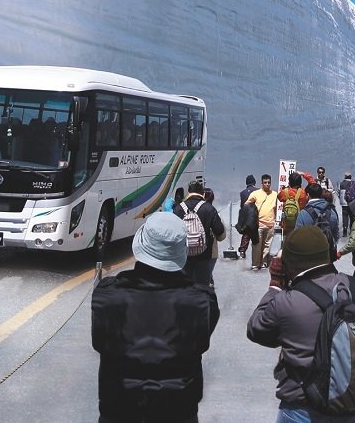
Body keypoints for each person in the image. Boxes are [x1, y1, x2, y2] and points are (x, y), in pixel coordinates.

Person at [91, 211, 221, 422]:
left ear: (140, 245)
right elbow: (200, 338)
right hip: (178, 413)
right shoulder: (203, 300)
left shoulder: (107, 294)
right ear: (181, 252)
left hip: (119, 412)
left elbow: (99, 342)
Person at [246, 225, 355, 423]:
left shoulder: (286, 302)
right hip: (351, 405)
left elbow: (257, 330)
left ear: (289, 263)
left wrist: (275, 285)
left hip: (302, 406)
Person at [176, 180, 225, 286]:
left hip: (183, 257)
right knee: (202, 287)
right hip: (203, 257)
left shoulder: (179, 209)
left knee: (185, 286)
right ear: (202, 193)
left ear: (188, 193)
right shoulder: (209, 209)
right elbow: (220, 233)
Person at [247, 174, 278, 270]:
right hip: (258, 224)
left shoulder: (274, 194)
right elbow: (246, 204)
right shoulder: (255, 194)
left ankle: (264, 262)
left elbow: (275, 208)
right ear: (261, 183)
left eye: (269, 182)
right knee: (256, 245)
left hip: (270, 224)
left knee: (267, 246)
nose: (267, 184)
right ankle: (255, 264)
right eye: (265, 182)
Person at [297, 181, 340, 246]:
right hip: (327, 253)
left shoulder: (303, 213)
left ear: (308, 195)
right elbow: (336, 235)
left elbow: (297, 237)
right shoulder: (332, 211)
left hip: (309, 252)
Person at [277, 172, 308, 236]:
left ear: (289, 182)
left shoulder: (285, 192)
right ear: (300, 182)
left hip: (286, 225)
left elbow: (279, 197)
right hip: (299, 224)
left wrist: (285, 189)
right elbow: (313, 183)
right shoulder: (303, 193)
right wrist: (304, 174)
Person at [236, 177, 259, 260]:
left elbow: (242, 206)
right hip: (256, 216)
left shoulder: (242, 193)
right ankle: (257, 255)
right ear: (254, 182)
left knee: (246, 235)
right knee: (256, 236)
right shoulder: (258, 191)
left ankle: (242, 251)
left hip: (247, 218)